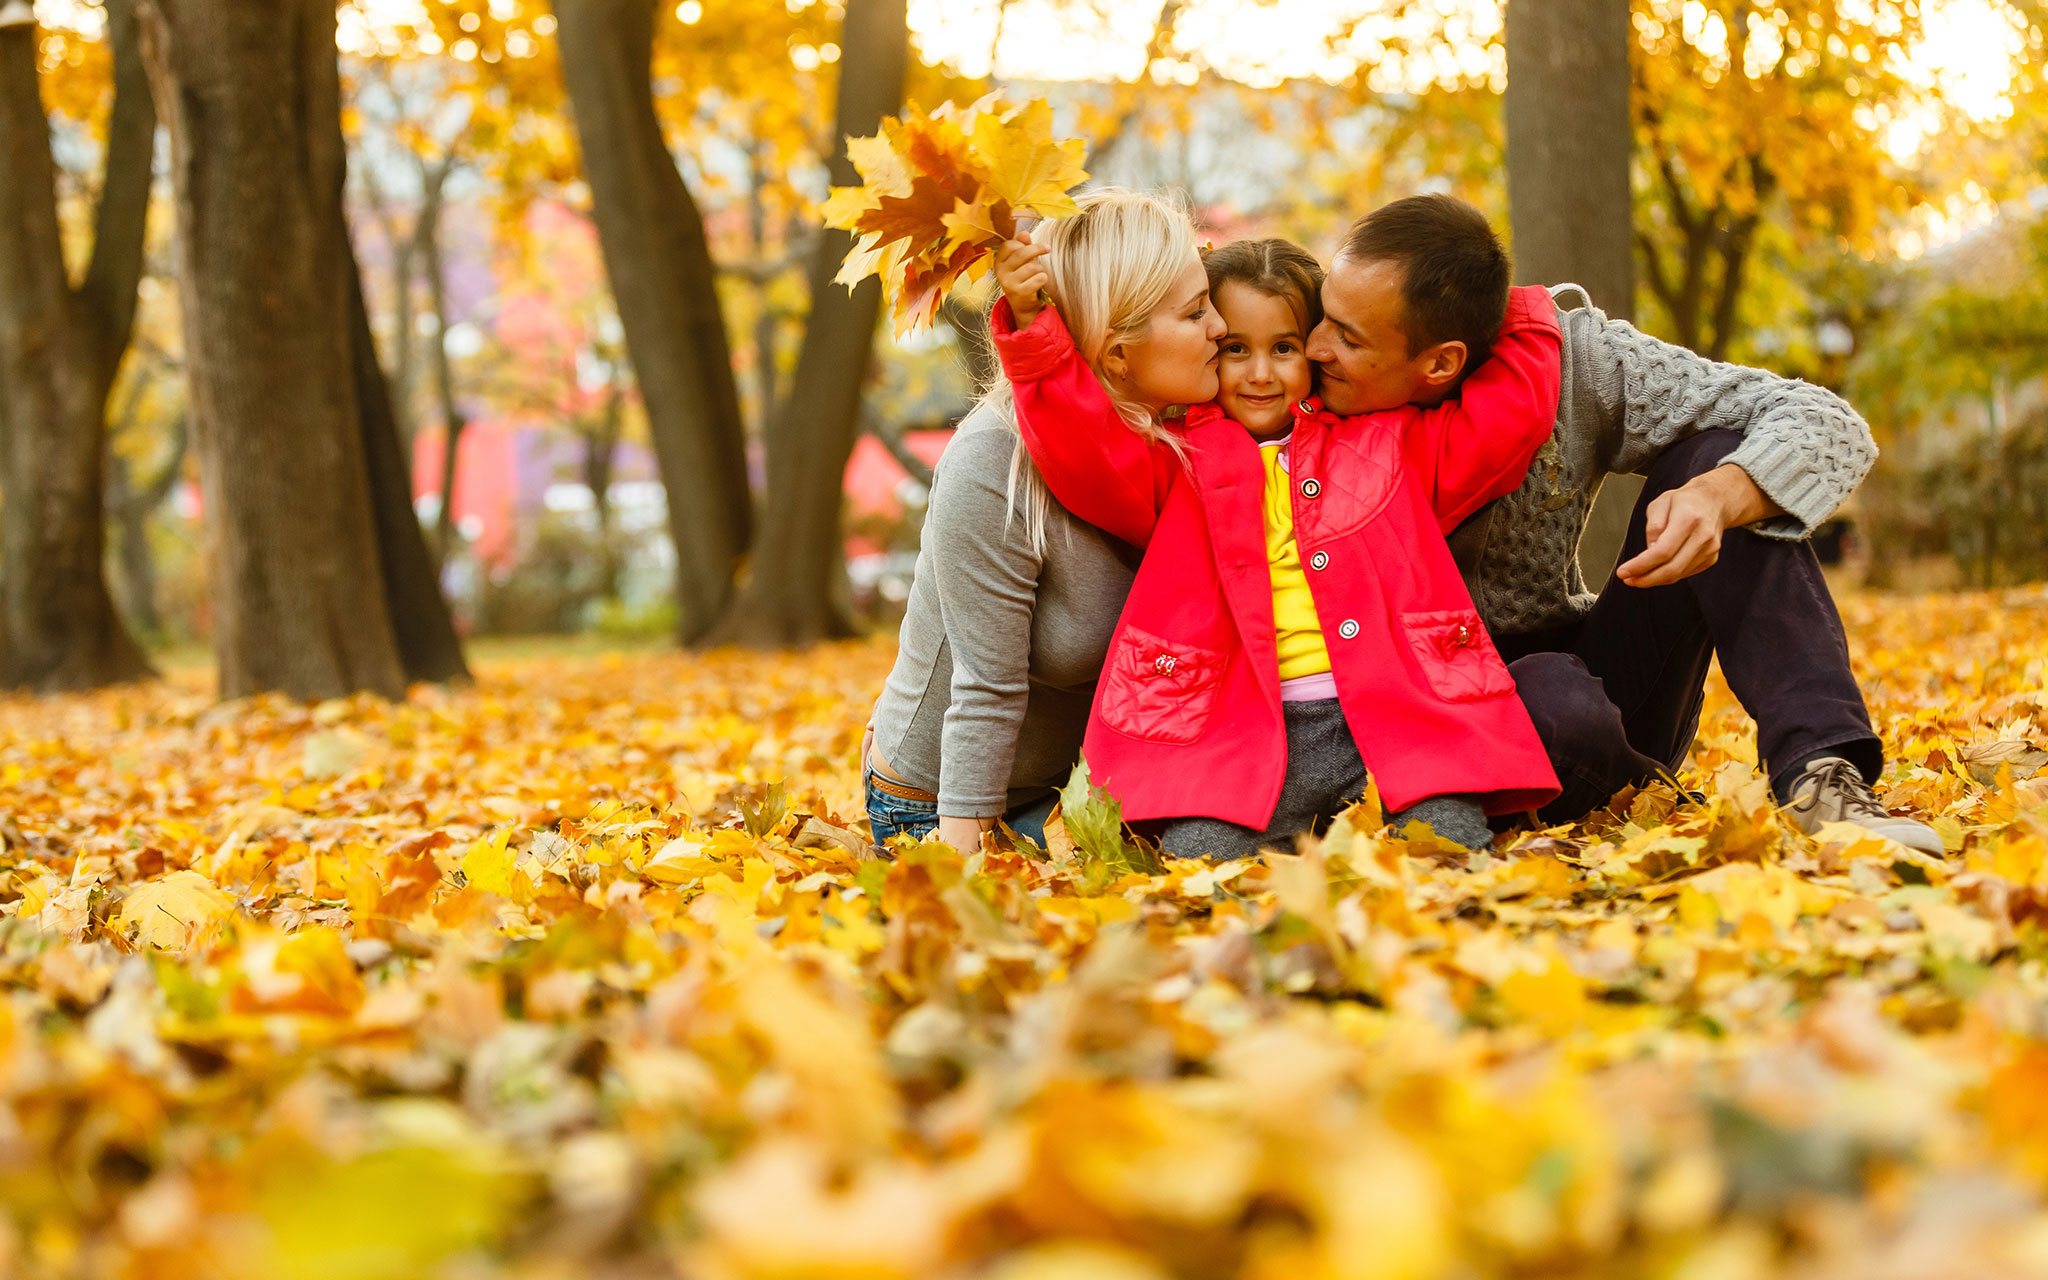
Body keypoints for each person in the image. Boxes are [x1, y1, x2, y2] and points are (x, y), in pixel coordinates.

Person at [1305, 195, 1941, 853]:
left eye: (1348, 337)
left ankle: (1822, 777)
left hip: (1596, 688)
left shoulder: (1578, 365)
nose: (1315, 346)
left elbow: (1825, 421)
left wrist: (1721, 495)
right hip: (1424, 724)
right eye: (1325, 315)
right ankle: (1663, 800)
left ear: (1440, 360)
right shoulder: (1284, 384)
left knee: (1723, 459)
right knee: (1546, 699)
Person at [992, 203, 1562, 859]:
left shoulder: (1389, 443)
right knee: (1201, 866)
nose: (1260, 374)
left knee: (1451, 849)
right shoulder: (1177, 462)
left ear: (1315, 347)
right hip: (1231, 741)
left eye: (1284, 348)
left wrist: (1507, 308)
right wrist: (1036, 323)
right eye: (1236, 349)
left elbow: (1509, 419)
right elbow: (1082, 445)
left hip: (1393, 728)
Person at [861, 194, 1206, 847]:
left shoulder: (1186, 444)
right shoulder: (994, 462)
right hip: (943, 802)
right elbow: (985, 689)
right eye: (1194, 313)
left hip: (1076, 786)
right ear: (1117, 351)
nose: (1219, 328)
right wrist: (962, 874)